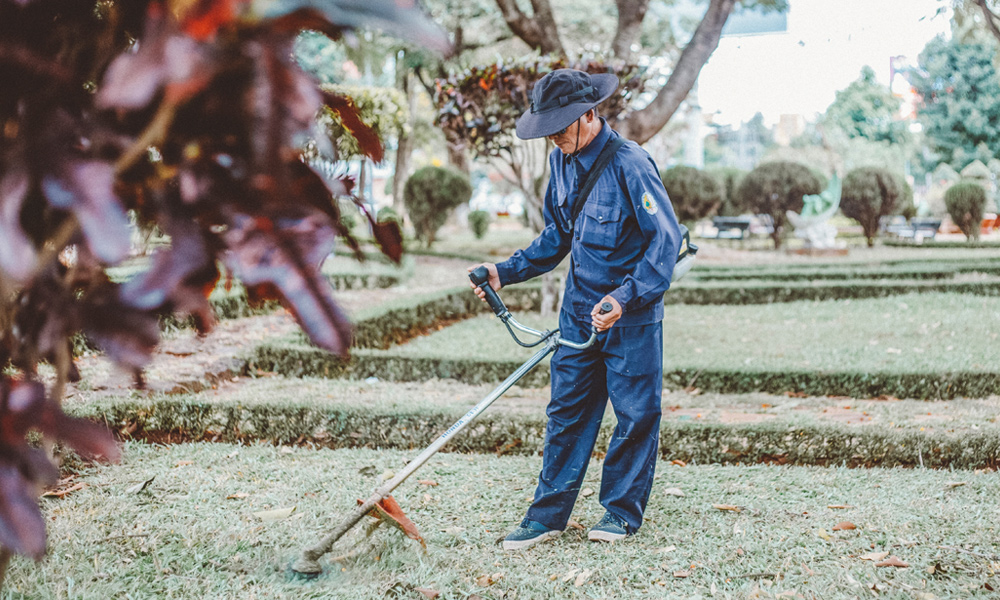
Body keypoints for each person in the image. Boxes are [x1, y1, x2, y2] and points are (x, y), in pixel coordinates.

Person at [468, 68, 683, 550]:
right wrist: (506, 271)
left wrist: (624, 298)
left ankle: (621, 513)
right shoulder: (560, 163)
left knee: (635, 416)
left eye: (561, 128)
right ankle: (546, 517)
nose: (556, 139)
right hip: (578, 314)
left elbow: (664, 243)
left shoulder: (631, 163)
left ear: (590, 115)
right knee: (566, 414)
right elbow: (557, 236)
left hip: (631, 316)